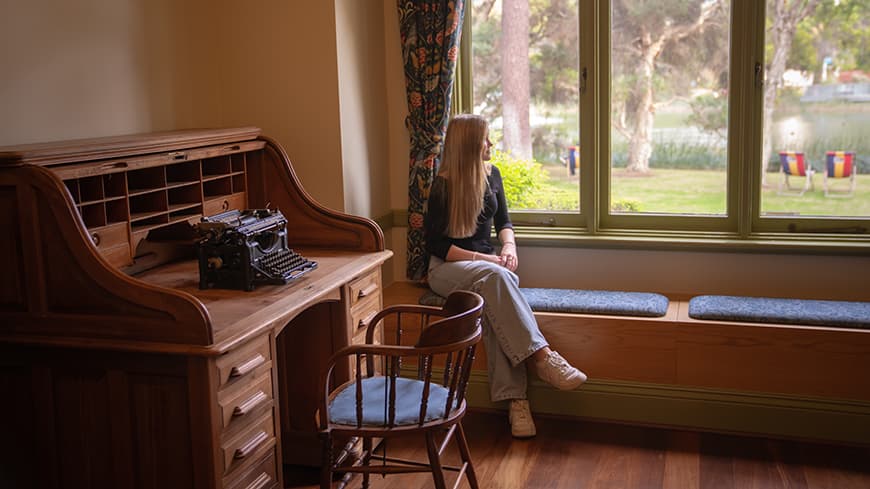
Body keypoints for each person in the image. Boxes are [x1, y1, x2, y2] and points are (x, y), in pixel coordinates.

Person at [424, 114, 587, 438]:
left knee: (494, 302)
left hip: (485, 273)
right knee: (498, 279)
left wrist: (509, 249)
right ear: (470, 143)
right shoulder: (442, 185)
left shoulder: (492, 174)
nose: (491, 144)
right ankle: (542, 357)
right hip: (446, 270)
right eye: (486, 138)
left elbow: (504, 222)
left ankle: (517, 403)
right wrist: (489, 259)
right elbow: (438, 245)